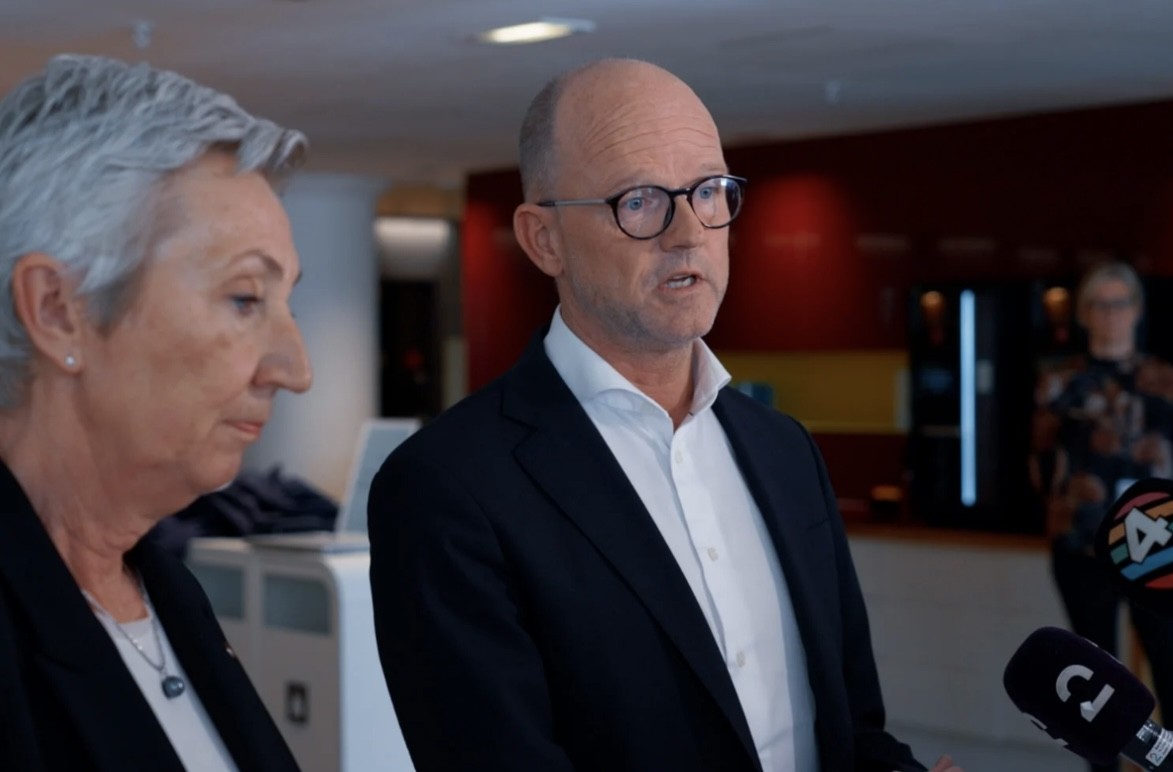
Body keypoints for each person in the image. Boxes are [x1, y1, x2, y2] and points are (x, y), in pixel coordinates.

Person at [369, 58, 961, 772]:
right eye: (641, 200)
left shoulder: (782, 450)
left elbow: (851, 731)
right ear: (543, 239)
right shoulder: (447, 487)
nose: (688, 233)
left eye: (709, 191)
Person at [0, 54, 311, 770]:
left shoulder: (171, 592)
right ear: (58, 310)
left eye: (284, 301)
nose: (296, 371)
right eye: (244, 298)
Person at [1032, 261, 1173, 772]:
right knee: (1098, 686)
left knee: (1169, 664)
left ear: (1136, 310)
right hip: (1082, 544)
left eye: (1120, 303)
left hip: (1158, 550)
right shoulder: (1059, 382)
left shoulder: (1165, 379)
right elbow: (1040, 459)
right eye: (1100, 304)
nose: (1111, 314)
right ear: (1085, 313)